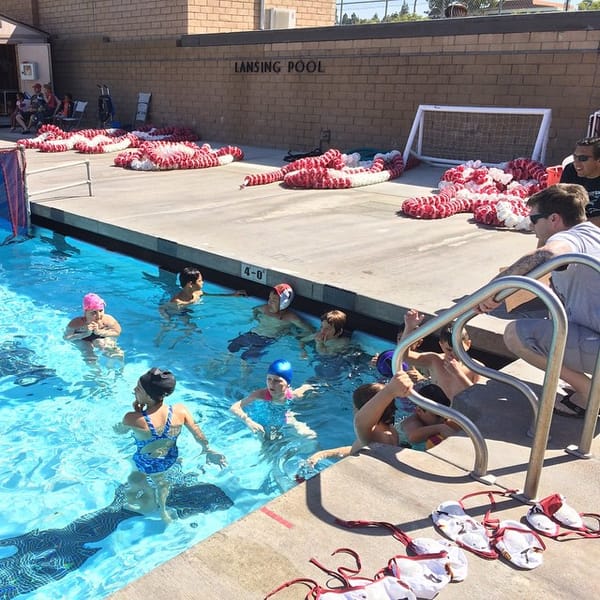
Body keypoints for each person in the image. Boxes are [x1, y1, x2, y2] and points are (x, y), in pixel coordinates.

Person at [478, 183, 600, 418]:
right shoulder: (593, 233)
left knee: (517, 334)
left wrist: (491, 291)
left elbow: (548, 254)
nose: (531, 224)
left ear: (554, 218)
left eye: (534, 218)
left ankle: (590, 395)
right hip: (592, 334)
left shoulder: (569, 238)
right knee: (552, 320)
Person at [120, 368, 227, 521]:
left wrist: (136, 411)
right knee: (161, 482)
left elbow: (122, 431)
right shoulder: (180, 411)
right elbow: (197, 432)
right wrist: (208, 449)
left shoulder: (133, 419)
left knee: (134, 478)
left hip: (147, 463)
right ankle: (164, 511)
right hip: (170, 457)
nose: (134, 390)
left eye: (138, 388)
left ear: (148, 396)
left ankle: (149, 503)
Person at [400, 309, 480, 403]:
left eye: (459, 349)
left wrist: (458, 374)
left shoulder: (476, 368)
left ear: (468, 344)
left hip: (460, 415)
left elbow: (478, 399)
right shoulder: (435, 360)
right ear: (441, 346)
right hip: (436, 413)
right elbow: (404, 356)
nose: (454, 354)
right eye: (449, 350)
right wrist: (408, 328)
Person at [230, 359, 314, 439]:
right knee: (263, 435)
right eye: (269, 379)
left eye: (277, 381)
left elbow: (308, 386)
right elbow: (234, 408)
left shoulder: (294, 395)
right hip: (263, 419)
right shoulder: (260, 395)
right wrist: (248, 421)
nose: (271, 384)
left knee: (309, 435)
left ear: (288, 384)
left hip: (284, 416)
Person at [227, 283, 314, 360]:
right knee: (231, 348)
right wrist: (254, 318)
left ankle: (243, 377)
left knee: (246, 357)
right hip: (252, 333)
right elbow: (255, 310)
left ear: (284, 303)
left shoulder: (290, 318)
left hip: (266, 339)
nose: (269, 302)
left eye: (274, 300)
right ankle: (221, 365)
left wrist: (297, 335)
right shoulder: (265, 309)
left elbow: (310, 330)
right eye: (269, 298)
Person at [559, 137, 600, 227]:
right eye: (575, 157)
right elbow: (559, 203)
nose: (576, 163)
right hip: (576, 226)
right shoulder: (571, 170)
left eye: (583, 158)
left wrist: (577, 225)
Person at [167, 266, 246, 306]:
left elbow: (213, 295)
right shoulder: (177, 302)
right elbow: (162, 309)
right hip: (180, 313)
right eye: (200, 281)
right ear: (190, 284)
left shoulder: (198, 293)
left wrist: (232, 294)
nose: (202, 282)